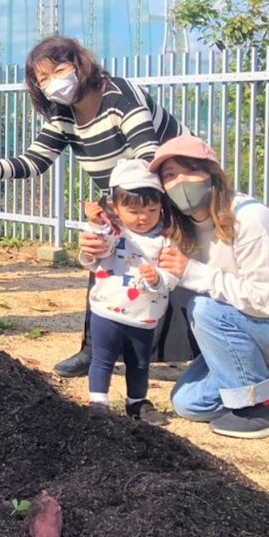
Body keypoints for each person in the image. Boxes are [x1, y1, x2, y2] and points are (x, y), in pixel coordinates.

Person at [0, 35, 187, 377]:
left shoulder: (119, 96)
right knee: (105, 267)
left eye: (57, 71)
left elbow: (150, 157)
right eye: (42, 79)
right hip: (123, 203)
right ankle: (94, 352)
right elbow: (35, 161)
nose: (51, 84)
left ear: (80, 64)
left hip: (172, 193)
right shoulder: (64, 115)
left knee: (180, 275)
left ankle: (205, 355)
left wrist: (134, 210)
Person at [142, 135, 269, 439]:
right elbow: (139, 249)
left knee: (205, 308)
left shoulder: (250, 219)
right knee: (188, 403)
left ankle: (265, 409)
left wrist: (194, 273)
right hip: (262, 332)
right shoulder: (183, 227)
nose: (181, 182)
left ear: (213, 176)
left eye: (190, 170)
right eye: (170, 176)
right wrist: (98, 245)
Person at [78, 159, 179, 425]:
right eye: (133, 211)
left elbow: (173, 276)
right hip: (106, 310)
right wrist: (95, 223)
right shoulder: (115, 232)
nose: (143, 217)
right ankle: (98, 401)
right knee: (102, 359)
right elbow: (98, 247)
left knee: (140, 363)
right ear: (115, 208)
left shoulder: (166, 240)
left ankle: (137, 403)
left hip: (144, 315)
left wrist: (158, 278)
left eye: (152, 209)